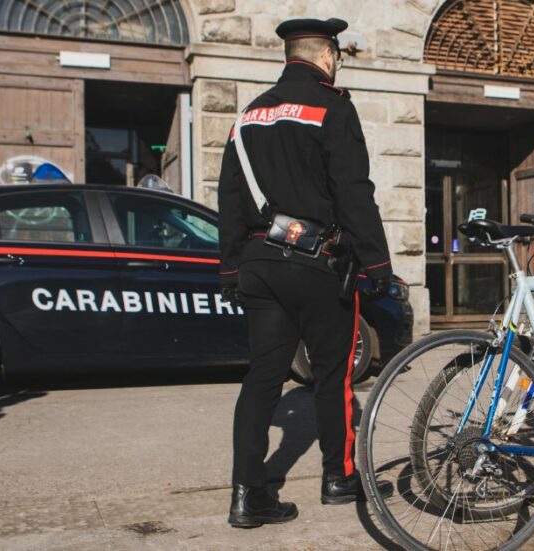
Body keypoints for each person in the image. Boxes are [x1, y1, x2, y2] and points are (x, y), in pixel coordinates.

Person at [217, 17, 393, 528]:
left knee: (261, 381)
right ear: (325, 55)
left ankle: (248, 496)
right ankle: (338, 478)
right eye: (336, 56)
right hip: (317, 262)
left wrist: (230, 269)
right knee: (333, 374)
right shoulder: (332, 107)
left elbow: (229, 197)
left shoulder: (248, 115)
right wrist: (378, 263)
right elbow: (353, 191)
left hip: (258, 264)